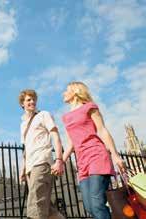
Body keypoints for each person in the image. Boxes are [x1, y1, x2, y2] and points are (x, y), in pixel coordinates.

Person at [61, 81, 126, 219]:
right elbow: (70, 142)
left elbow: (102, 130)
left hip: (96, 155)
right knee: (89, 206)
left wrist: (115, 155)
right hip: (82, 162)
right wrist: (60, 161)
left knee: (97, 204)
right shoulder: (66, 117)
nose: (64, 93)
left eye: (67, 90)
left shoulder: (89, 107)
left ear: (75, 92)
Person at [19, 89, 65, 219]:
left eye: (34, 99)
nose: (32, 102)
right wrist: (23, 169)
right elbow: (26, 148)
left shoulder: (44, 115)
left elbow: (55, 135)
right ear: (22, 103)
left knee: (35, 204)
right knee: (47, 209)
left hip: (42, 162)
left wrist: (59, 160)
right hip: (30, 167)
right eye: (28, 100)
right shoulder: (23, 125)